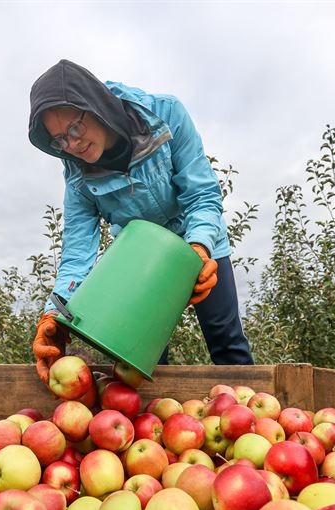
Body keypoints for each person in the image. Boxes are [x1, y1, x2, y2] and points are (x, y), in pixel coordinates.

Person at [29, 59, 254, 384]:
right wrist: (55, 312)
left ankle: (248, 406)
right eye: (59, 140)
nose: (72, 145)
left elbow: (202, 195)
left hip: (200, 241)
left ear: (94, 107)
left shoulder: (166, 115)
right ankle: (148, 431)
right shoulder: (77, 176)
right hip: (140, 260)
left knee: (226, 339)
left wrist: (201, 248)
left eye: (74, 129)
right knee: (139, 358)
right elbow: (77, 253)